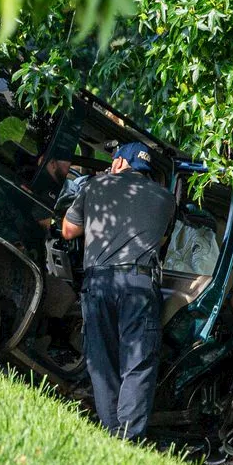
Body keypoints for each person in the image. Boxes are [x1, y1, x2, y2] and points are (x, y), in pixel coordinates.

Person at [61, 142, 175, 440]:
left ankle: (112, 432)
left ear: (122, 163)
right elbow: (161, 240)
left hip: (98, 283)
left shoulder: (96, 186)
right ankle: (126, 438)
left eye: (114, 159)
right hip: (139, 285)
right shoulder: (166, 199)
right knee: (137, 363)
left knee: (101, 359)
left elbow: (68, 231)